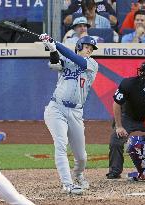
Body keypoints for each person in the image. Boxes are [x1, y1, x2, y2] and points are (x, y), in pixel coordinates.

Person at [39, 34, 98, 195]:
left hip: (76, 112)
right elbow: (54, 63)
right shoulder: (67, 61)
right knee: (60, 144)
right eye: (87, 47)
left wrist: (56, 44)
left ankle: (78, 175)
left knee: (81, 156)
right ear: (79, 46)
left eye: (91, 49)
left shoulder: (92, 64)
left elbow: (76, 59)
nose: (89, 51)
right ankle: (67, 184)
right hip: (56, 108)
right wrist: (52, 49)